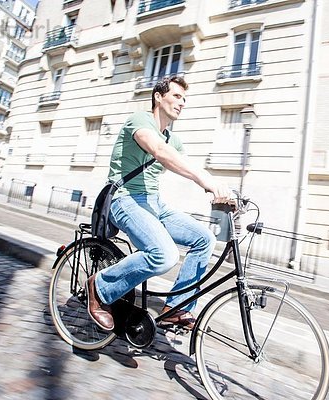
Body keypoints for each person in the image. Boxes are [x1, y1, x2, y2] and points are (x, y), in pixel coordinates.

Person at [87, 76, 232, 331]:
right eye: (177, 96)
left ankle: (177, 308)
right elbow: (160, 152)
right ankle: (99, 287)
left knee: (205, 239)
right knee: (164, 255)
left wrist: (222, 188)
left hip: (154, 203)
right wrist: (204, 180)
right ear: (158, 97)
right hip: (124, 199)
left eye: (184, 99)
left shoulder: (173, 139)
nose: (182, 103)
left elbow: (183, 162)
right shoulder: (140, 120)